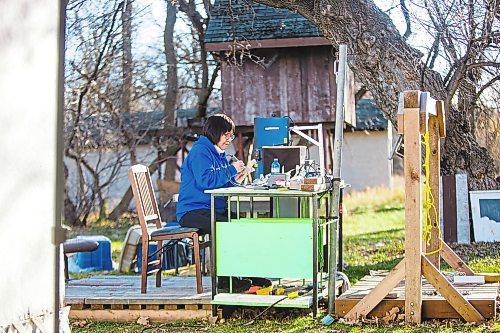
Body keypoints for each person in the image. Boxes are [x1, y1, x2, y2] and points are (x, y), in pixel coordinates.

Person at [176, 113, 246, 235]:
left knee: (243, 224)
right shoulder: (200, 151)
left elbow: (218, 184)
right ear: (215, 132)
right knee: (231, 230)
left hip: (212, 209)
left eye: (231, 136)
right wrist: (232, 170)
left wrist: (235, 181)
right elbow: (206, 181)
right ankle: (221, 254)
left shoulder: (219, 153)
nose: (229, 139)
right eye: (226, 135)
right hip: (193, 210)